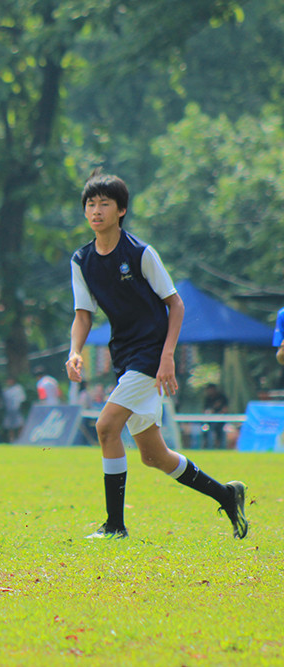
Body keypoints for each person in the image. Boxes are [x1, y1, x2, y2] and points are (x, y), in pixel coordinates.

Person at [65, 172, 247, 540]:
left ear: (122, 210)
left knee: (105, 427)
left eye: (104, 204)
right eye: (90, 204)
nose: (96, 211)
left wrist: (167, 357)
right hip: (125, 356)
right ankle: (227, 495)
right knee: (155, 456)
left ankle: (115, 526)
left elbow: (175, 304)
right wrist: (75, 351)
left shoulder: (140, 253)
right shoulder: (81, 259)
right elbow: (83, 313)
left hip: (149, 355)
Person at [201, 383, 229, 449]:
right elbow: (204, 409)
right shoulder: (208, 398)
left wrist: (219, 413)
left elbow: (225, 409)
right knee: (207, 430)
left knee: (221, 431)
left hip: (221, 420)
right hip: (210, 420)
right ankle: (208, 446)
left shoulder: (221, 397)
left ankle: (221, 446)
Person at [2, 376, 26, 443]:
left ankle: (20, 439)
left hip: (17, 409)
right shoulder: (5, 390)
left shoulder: (18, 388)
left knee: (19, 424)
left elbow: (22, 399)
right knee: (10, 426)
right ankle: (12, 440)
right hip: (9, 410)